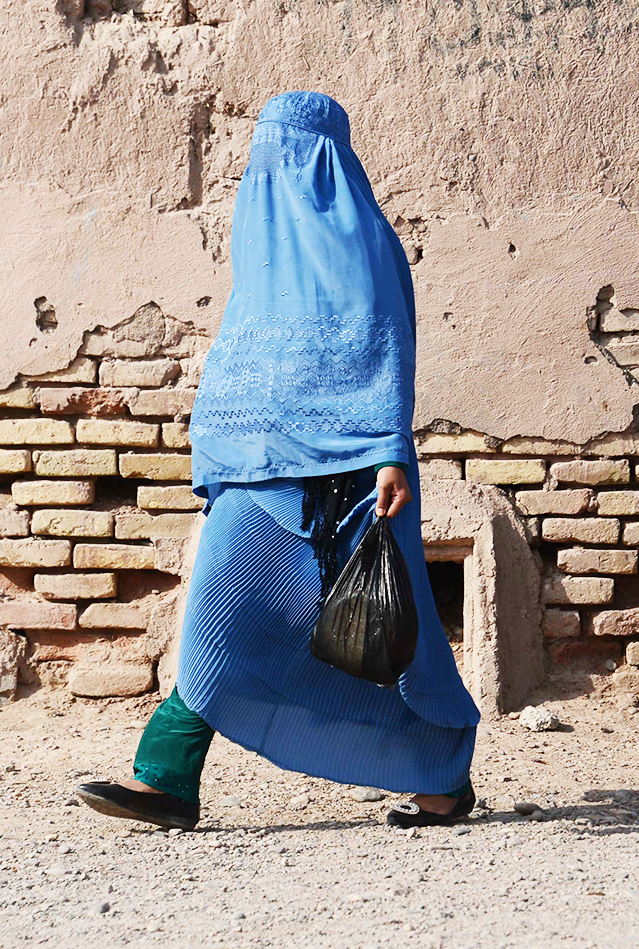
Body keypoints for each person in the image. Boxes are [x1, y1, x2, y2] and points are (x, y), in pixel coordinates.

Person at [76, 92, 482, 831]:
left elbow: (383, 346)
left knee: (371, 637)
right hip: (256, 472)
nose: (273, 170)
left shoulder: (363, 242)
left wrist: (390, 449)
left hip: (349, 478)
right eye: (263, 151)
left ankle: (439, 770)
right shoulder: (261, 251)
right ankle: (166, 778)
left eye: (289, 151)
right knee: (218, 619)